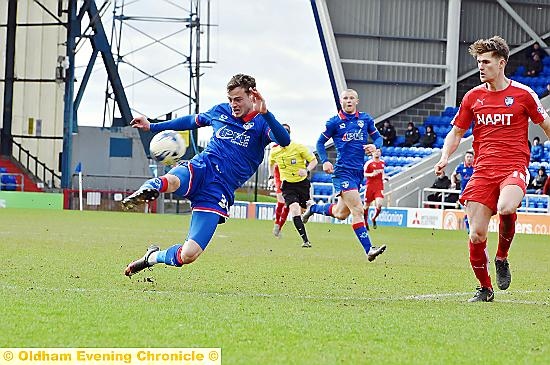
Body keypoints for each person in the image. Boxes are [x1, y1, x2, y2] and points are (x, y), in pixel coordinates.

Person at [122, 74, 291, 276]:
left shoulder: (263, 123)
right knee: (174, 181)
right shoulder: (220, 111)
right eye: (230, 99)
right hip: (203, 167)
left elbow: (284, 140)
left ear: (251, 96)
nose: (233, 104)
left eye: (238, 99)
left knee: (189, 254)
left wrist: (266, 113)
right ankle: (149, 188)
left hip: (218, 190)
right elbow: (191, 121)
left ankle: (151, 257)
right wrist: (152, 126)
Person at [434, 36, 550, 302]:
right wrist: (444, 157)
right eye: (478, 62)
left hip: (513, 166)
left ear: (501, 63)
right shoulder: (473, 97)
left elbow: (545, 125)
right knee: (476, 234)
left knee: (507, 208)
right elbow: (456, 132)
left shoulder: (523, 94)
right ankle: (485, 289)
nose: (481, 67)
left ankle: (501, 257)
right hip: (483, 170)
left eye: (486, 62)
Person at [302, 89, 387, 262]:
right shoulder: (334, 122)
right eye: (345, 98)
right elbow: (319, 142)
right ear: (341, 101)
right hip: (342, 172)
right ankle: (369, 249)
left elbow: (378, 138)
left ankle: (313, 208)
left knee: (341, 213)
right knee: (358, 209)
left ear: (357, 101)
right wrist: (324, 160)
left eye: (351, 98)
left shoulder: (365, 119)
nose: (348, 101)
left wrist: (376, 147)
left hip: (357, 173)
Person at [269, 124, 318, 247]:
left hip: (302, 184)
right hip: (288, 185)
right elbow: (271, 164)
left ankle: (309, 211)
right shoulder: (274, 151)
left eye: (285, 132)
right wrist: (271, 176)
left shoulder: (298, 147)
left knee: (303, 210)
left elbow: (314, 161)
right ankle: (305, 241)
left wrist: (306, 170)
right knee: (294, 209)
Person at [363, 148, 386, 229]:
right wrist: (371, 174)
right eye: (375, 151)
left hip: (379, 186)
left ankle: (374, 218)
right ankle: (365, 222)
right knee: (366, 206)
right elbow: (363, 174)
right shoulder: (368, 163)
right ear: (372, 153)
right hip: (370, 186)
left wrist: (385, 177)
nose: (377, 153)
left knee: (379, 204)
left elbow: (383, 172)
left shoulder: (382, 162)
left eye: (378, 151)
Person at [451, 150, 475, 229]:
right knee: (467, 212)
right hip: (464, 193)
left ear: (473, 158)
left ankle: (472, 228)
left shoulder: (476, 167)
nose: (469, 158)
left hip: (474, 194)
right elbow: (453, 175)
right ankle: (469, 230)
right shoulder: (460, 167)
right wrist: (453, 183)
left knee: (473, 213)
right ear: (465, 158)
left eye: (470, 157)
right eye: (467, 157)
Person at [268, 164, 290, 238]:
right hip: (279, 176)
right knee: (281, 200)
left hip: (291, 177)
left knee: (288, 204)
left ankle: (279, 228)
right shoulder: (275, 153)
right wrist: (271, 177)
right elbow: (271, 163)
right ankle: (277, 223)